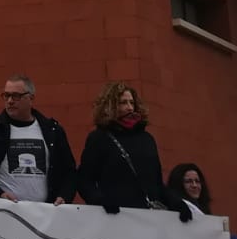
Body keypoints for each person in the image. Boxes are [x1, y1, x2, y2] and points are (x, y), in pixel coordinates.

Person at [77, 82, 191, 221]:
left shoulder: (147, 139)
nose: (129, 107)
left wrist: (176, 202)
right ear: (110, 106)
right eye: (123, 103)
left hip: (150, 218)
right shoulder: (99, 138)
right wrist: (100, 201)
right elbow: (84, 180)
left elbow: (156, 183)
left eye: (132, 102)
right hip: (117, 217)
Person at [0, 74, 78, 205]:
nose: (10, 101)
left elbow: (69, 172)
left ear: (31, 98)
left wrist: (64, 196)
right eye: (6, 96)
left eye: (16, 96)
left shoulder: (52, 130)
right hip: (2, 210)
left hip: (46, 214)